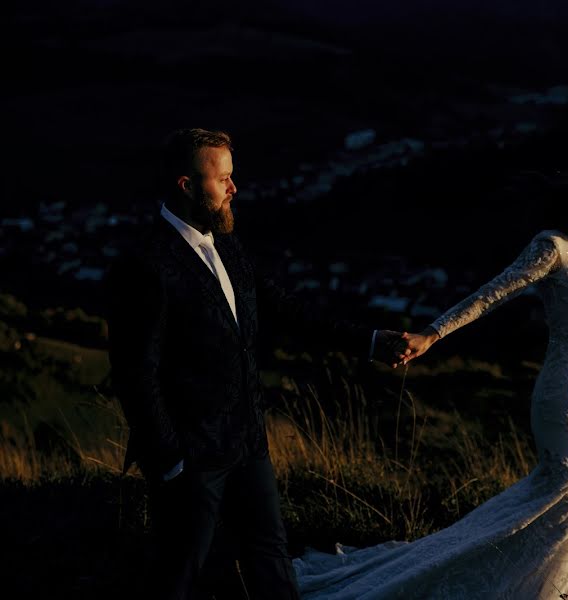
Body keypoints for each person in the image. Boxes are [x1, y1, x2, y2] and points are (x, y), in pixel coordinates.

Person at [293, 154, 568, 599]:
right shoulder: (553, 246)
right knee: (564, 492)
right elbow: (490, 295)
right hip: (564, 397)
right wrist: (431, 335)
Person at [105, 128, 405, 600]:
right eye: (222, 178)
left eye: (232, 176)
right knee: (179, 573)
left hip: (248, 442)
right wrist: (170, 461)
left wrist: (369, 340)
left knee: (271, 558)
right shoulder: (146, 265)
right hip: (192, 456)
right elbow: (134, 372)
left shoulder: (226, 241)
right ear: (186, 185)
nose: (233, 188)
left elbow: (284, 308)